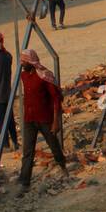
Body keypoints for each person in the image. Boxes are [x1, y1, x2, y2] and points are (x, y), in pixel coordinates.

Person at [18, 49, 67, 191]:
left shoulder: (45, 76)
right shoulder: (24, 76)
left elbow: (56, 98)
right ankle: (24, 182)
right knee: (27, 151)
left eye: (24, 61)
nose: (22, 64)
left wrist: (56, 120)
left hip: (45, 118)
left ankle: (63, 166)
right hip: (29, 119)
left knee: (54, 145)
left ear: (31, 62)